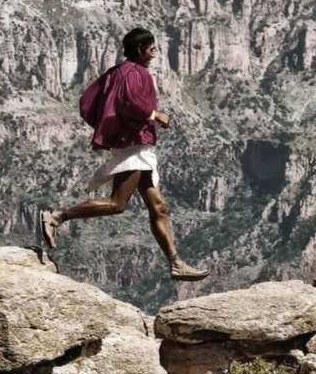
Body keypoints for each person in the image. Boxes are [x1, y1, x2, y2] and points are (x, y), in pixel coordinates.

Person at [41, 27, 210, 282]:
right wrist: (154, 115)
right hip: (134, 146)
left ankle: (175, 264)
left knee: (159, 207)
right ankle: (56, 217)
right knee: (117, 204)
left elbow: (91, 100)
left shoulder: (118, 72)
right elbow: (130, 102)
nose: (154, 53)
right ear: (141, 50)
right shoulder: (134, 73)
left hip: (136, 144)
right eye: (151, 49)